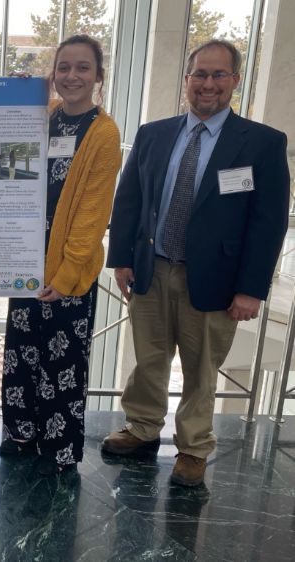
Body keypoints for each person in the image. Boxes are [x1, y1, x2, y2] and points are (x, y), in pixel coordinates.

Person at [103, 39, 290, 487]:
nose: (208, 84)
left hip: (217, 280)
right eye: (200, 75)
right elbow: (129, 200)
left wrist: (251, 289)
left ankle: (193, 447)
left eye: (218, 75)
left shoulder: (262, 143)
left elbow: (268, 223)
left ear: (235, 81)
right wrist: (123, 259)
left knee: (202, 366)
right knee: (148, 357)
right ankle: (143, 428)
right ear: (187, 80)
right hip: (153, 267)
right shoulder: (154, 133)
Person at [0, 35, 121, 475]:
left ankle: (59, 447)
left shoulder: (103, 133)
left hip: (68, 268)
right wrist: (13, 96)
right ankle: (21, 431)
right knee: (22, 352)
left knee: (62, 361)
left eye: (82, 68)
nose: (72, 76)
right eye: (64, 67)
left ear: (98, 76)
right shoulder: (45, 116)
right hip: (25, 258)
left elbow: (92, 214)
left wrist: (67, 274)